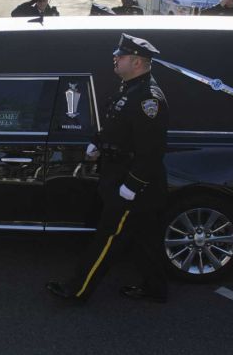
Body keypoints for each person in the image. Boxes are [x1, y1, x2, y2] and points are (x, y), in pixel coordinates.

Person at [46, 33, 169, 304]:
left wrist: (131, 186)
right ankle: (156, 288)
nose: (115, 59)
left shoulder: (149, 99)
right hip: (122, 173)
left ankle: (77, 290)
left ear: (137, 62)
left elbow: (152, 151)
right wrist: (98, 143)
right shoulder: (131, 88)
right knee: (144, 240)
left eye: (121, 56)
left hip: (133, 183)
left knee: (108, 237)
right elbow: (118, 127)